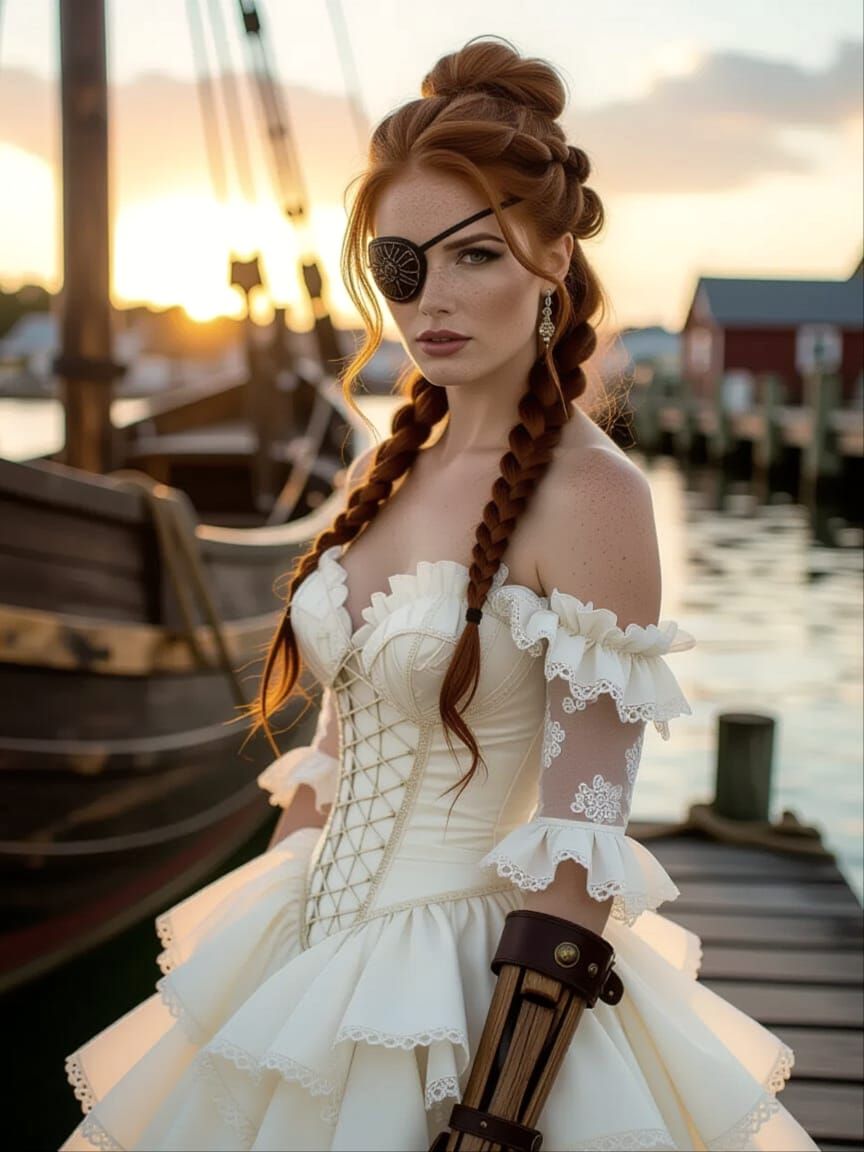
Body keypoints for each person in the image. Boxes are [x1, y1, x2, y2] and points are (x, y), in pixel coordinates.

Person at [62, 37, 819, 1152]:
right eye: (405, 265)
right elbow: (338, 731)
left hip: (474, 1000)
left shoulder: (593, 498)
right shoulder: (384, 465)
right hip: (308, 960)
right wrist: (285, 917)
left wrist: (491, 1121)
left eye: (476, 257)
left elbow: (578, 848)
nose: (433, 300)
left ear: (556, 255)